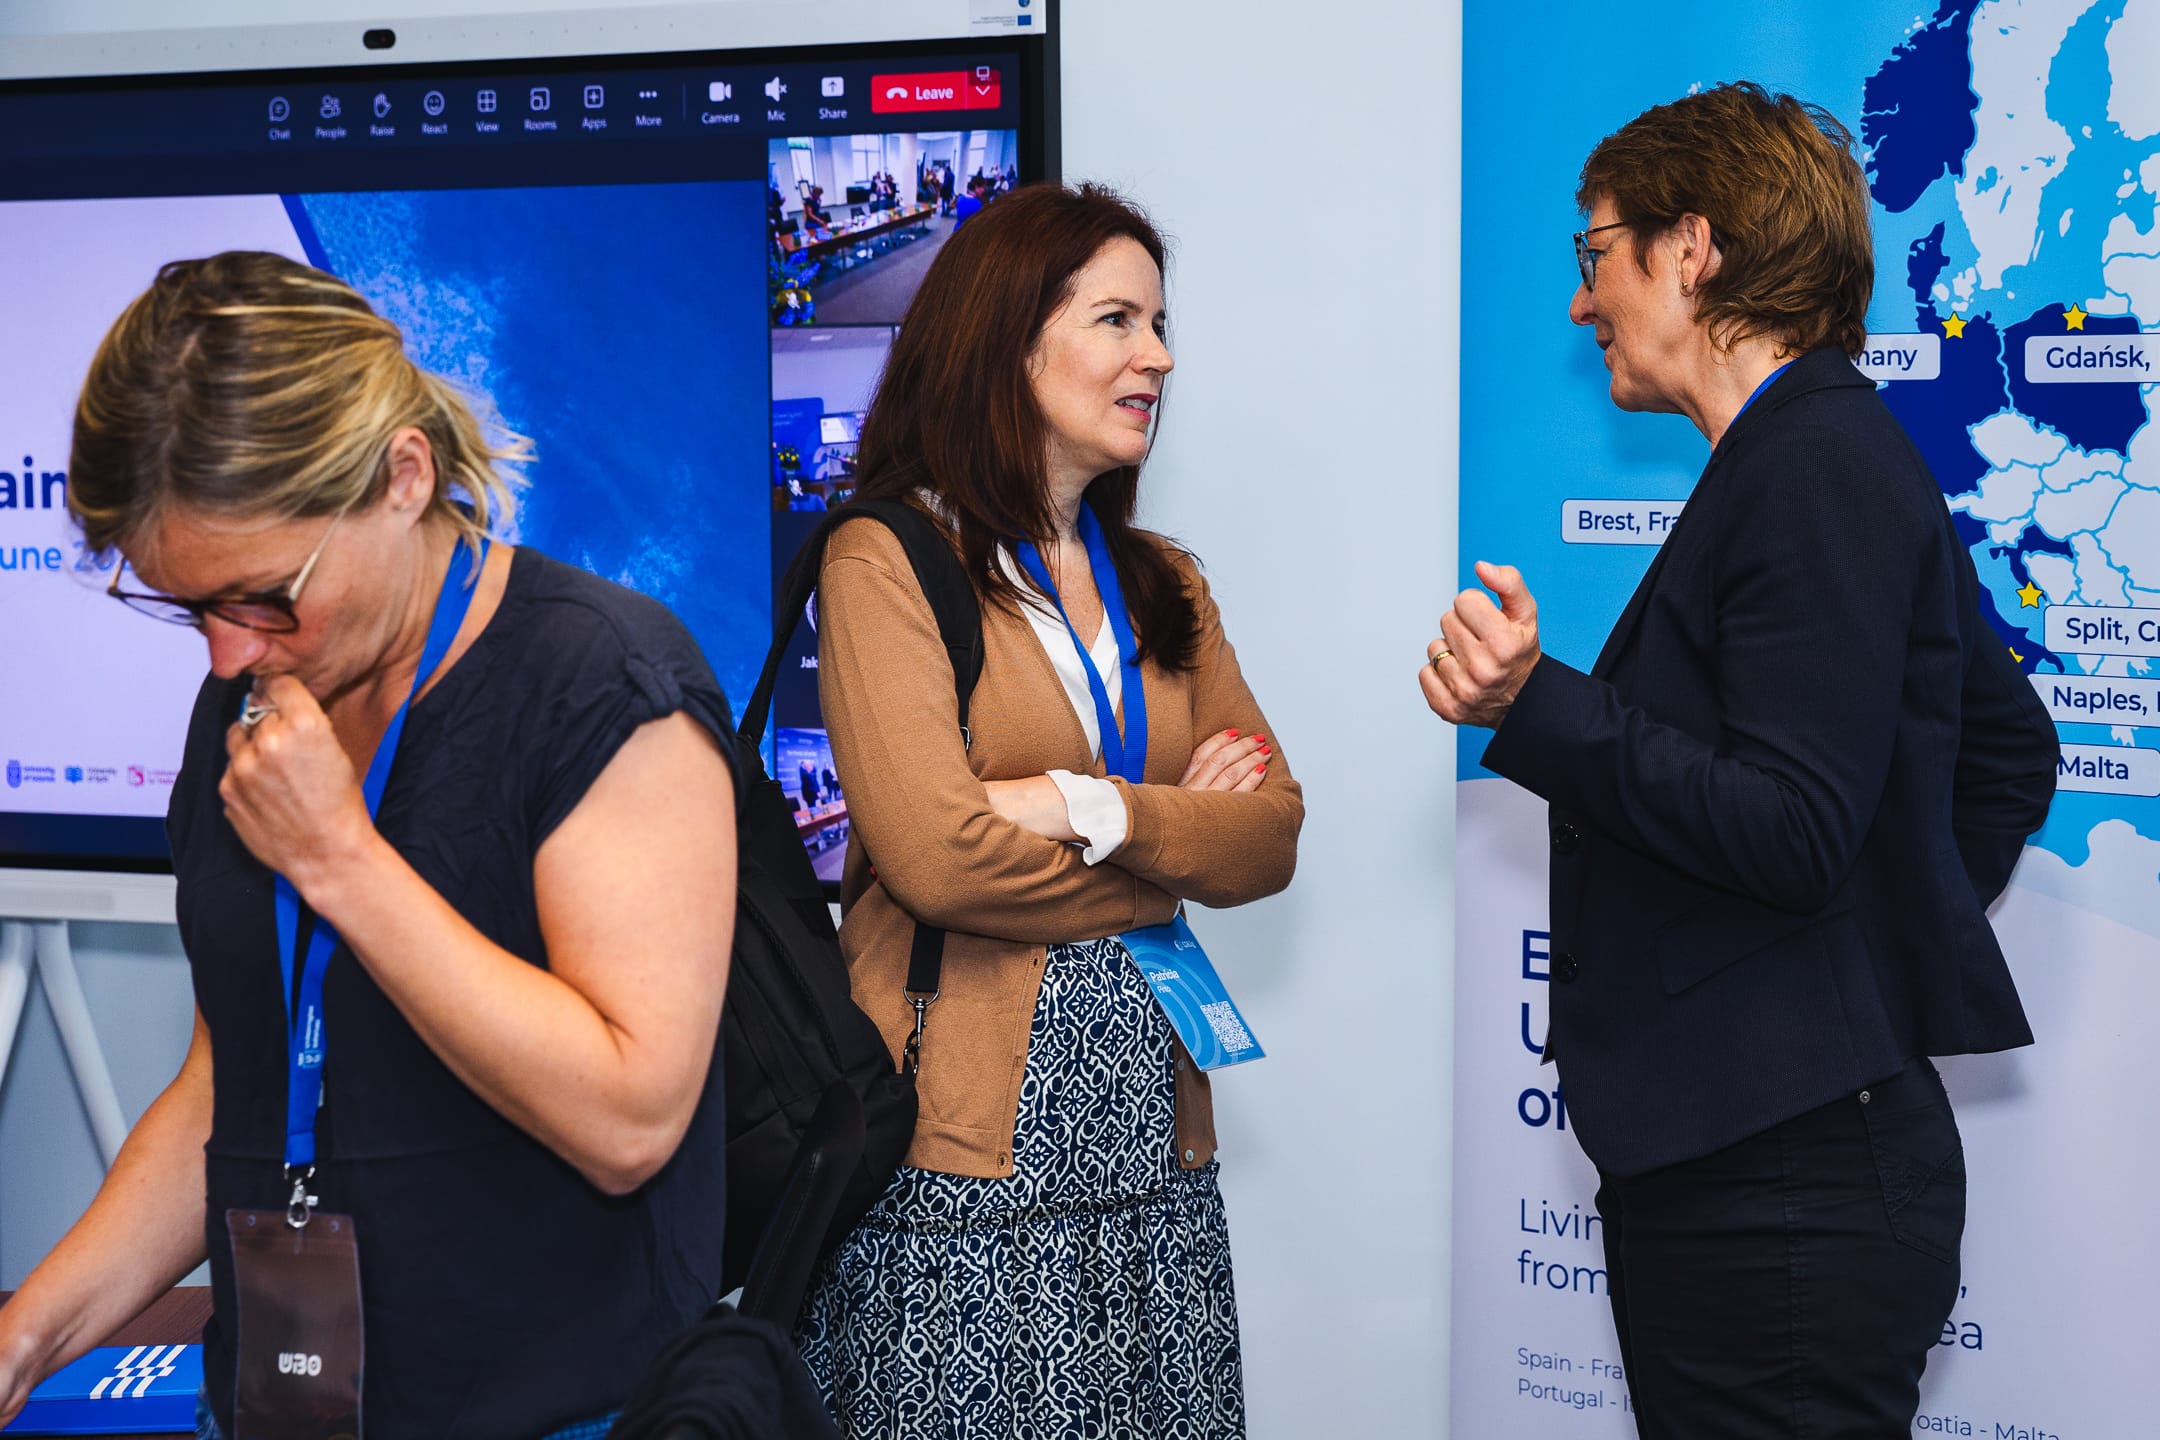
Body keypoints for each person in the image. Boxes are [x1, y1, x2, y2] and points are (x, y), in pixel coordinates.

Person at [0, 252, 739, 1439]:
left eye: (263, 594)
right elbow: (228, 1087)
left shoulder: (601, 686)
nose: (227, 656)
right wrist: (24, 1338)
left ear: (404, 477)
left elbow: (628, 1121)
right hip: (283, 1404)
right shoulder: (255, 699)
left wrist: (339, 858)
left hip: (564, 1414)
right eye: (188, 607)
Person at [1418, 83, 2058, 1436]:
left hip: (1781, 1192)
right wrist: (1851, 956)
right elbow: (2005, 750)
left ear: (1692, 248)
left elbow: (1792, 824)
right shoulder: (1814, 449)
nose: (1581, 302)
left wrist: (1536, 704)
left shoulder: (1810, 463)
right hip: (1774, 1167)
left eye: (1597, 254)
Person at [795, 182, 1302, 1437]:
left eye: (1161, 324)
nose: (1159, 356)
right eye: (1118, 320)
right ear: (1007, 344)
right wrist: (1168, 852)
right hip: (957, 1168)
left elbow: (1272, 833)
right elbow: (935, 858)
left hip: (1159, 1154)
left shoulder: (1164, 583)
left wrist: (1081, 804)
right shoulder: (887, 558)